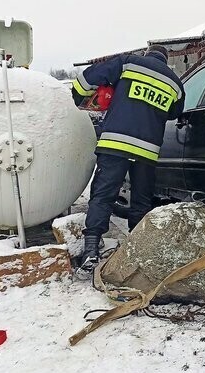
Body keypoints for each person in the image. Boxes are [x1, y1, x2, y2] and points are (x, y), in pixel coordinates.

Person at [72, 44, 185, 271]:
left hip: (115, 143)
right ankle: (137, 248)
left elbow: (85, 80)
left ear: (147, 53)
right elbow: (175, 113)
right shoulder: (175, 83)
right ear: (167, 59)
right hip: (147, 151)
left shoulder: (128, 62)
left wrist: (82, 97)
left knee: (103, 195)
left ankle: (91, 248)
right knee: (142, 200)